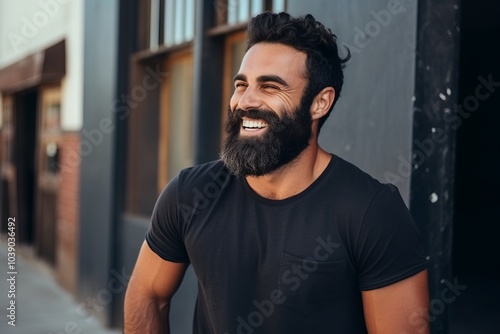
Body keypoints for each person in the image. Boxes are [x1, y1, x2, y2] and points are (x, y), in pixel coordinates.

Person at [124, 11, 429, 334]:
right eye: (241, 85)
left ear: (319, 103)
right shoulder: (190, 193)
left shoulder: (371, 211)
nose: (245, 101)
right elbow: (147, 294)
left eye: (270, 87)